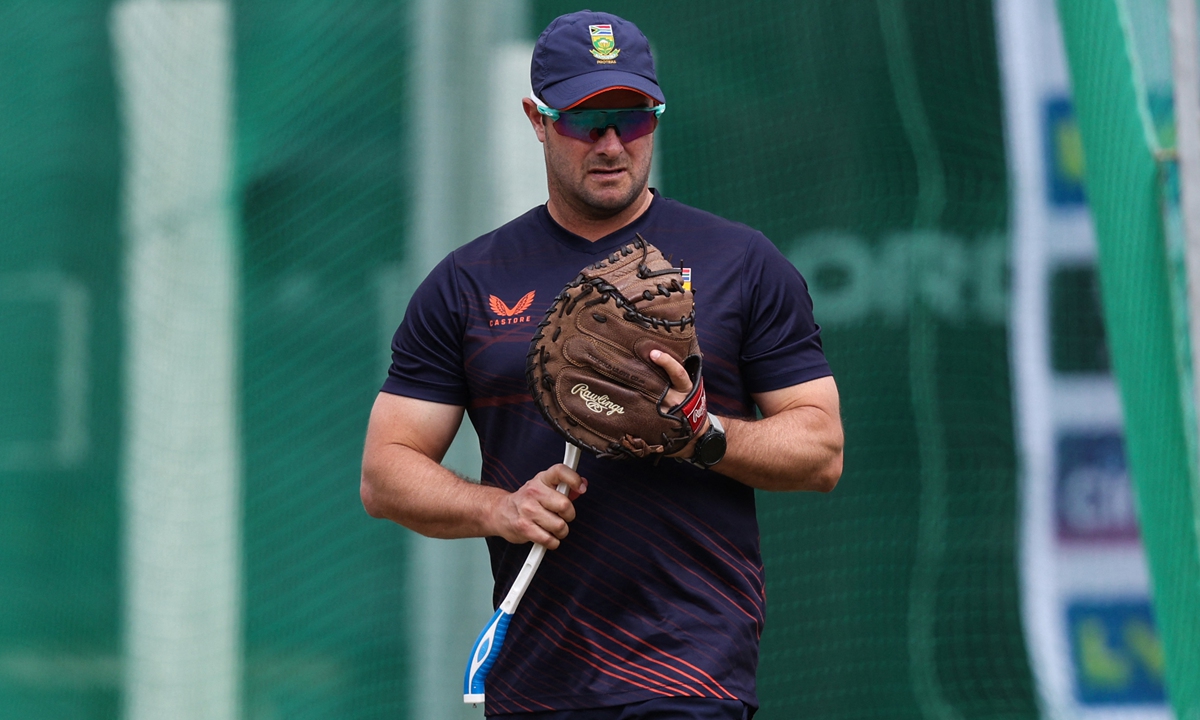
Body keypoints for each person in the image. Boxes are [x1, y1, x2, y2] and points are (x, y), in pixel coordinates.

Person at [361, 10, 843, 720]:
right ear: (537, 119)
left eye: (634, 118)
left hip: (691, 674)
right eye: (588, 121)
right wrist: (501, 507)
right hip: (537, 683)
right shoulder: (468, 282)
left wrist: (702, 434)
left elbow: (821, 450)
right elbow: (385, 471)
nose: (613, 143)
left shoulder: (742, 264)